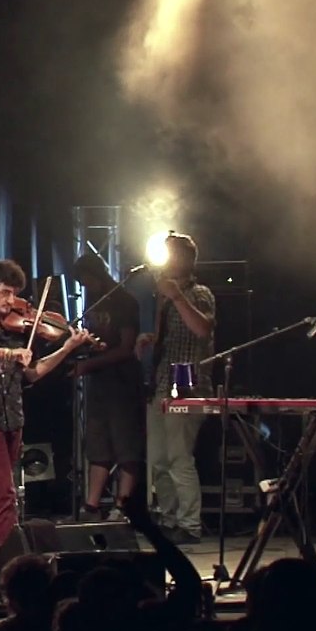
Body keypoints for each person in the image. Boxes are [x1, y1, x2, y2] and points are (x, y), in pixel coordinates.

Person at [0, 259, 91, 574]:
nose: (11, 302)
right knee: (4, 493)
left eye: (14, 295)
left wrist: (67, 347)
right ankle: (15, 563)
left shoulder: (14, 329)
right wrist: (4, 353)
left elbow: (35, 372)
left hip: (13, 417)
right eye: (5, 293)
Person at [135, 233, 215, 545]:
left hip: (188, 385)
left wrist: (178, 297)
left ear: (184, 259)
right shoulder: (163, 297)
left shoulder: (200, 293)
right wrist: (149, 338)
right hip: (161, 383)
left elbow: (203, 328)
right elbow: (167, 335)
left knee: (180, 457)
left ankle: (190, 523)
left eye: (170, 255)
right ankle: (167, 518)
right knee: (157, 459)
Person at [70, 254, 145, 519]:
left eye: (87, 279)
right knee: (98, 445)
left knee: (126, 445)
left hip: (122, 382)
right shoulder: (92, 301)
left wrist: (90, 365)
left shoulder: (124, 301)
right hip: (99, 383)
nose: (86, 285)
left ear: (98, 273)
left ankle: (123, 506)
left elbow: (126, 348)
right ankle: (91, 506)